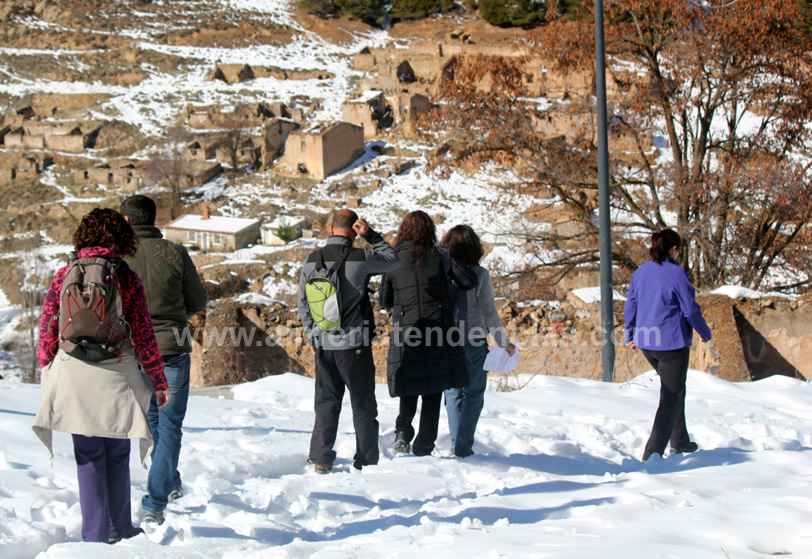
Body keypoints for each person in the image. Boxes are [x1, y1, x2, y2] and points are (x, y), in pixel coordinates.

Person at [32, 208, 169, 543]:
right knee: (118, 451)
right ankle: (120, 527)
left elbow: (48, 323)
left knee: (89, 455)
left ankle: (93, 536)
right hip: (116, 369)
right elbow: (143, 332)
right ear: (118, 238)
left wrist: (46, 364)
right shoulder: (126, 276)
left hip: (75, 370)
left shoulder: (65, 272)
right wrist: (158, 379)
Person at [120, 195, 207, 525]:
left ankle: (158, 496)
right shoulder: (175, 252)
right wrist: (174, 321)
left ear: (127, 222)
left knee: (154, 421)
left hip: (132, 350)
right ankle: (163, 490)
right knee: (166, 423)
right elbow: (198, 300)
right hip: (173, 347)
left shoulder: (117, 257)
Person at [297, 209, 400, 473]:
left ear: (331, 229)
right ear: (354, 230)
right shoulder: (360, 257)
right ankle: (365, 460)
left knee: (326, 402)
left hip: (323, 345)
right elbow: (393, 260)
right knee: (362, 402)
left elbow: (303, 303)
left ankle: (321, 457)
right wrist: (371, 235)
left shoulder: (312, 259)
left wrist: (311, 335)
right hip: (353, 345)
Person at [379, 211, 477, 457]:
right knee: (433, 389)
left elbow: (384, 300)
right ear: (429, 231)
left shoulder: (392, 259)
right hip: (438, 330)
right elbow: (469, 281)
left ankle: (402, 434)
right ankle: (424, 446)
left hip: (408, 330)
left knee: (409, 385)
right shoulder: (440, 255)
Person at [624, 228, 712, 462]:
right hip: (671, 344)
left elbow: (631, 304)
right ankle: (651, 454)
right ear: (674, 249)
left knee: (674, 389)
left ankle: (680, 441)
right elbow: (690, 308)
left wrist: (629, 334)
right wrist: (704, 332)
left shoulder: (641, 272)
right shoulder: (676, 274)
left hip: (647, 344)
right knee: (671, 395)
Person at [442, 225, 516, 458]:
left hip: (446, 340)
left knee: (453, 393)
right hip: (474, 341)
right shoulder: (481, 274)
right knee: (473, 394)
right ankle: (463, 446)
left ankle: (456, 444)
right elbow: (489, 311)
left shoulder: (442, 271)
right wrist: (504, 342)